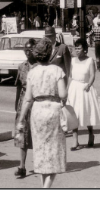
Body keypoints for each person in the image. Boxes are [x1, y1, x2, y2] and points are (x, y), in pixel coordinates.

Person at [16, 38, 67, 188]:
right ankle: (46, 189)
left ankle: (43, 187)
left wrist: (20, 120)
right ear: (50, 53)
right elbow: (63, 94)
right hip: (53, 109)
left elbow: (27, 99)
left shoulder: (32, 72)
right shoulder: (57, 70)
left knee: (41, 151)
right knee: (54, 152)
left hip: (37, 111)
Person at [67, 38, 100, 150]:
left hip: (85, 89)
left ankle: (91, 134)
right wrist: (67, 90)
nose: (77, 50)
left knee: (86, 113)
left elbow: (92, 75)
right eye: (75, 48)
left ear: (85, 49)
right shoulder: (72, 60)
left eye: (79, 48)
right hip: (74, 88)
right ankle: (75, 140)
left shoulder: (90, 60)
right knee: (74, 115)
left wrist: (89, 84)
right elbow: (70, 76)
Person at [13, 39, 37, 179]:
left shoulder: (41, 67)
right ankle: (22, 166)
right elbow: (18, 87)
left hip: (37, 104)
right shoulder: (22, 66)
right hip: (24, 104)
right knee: (22, 134)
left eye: (30, 50)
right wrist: (17, 106)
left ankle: (40, 164)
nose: (28, 53)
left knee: (37, 135)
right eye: (26, 50)